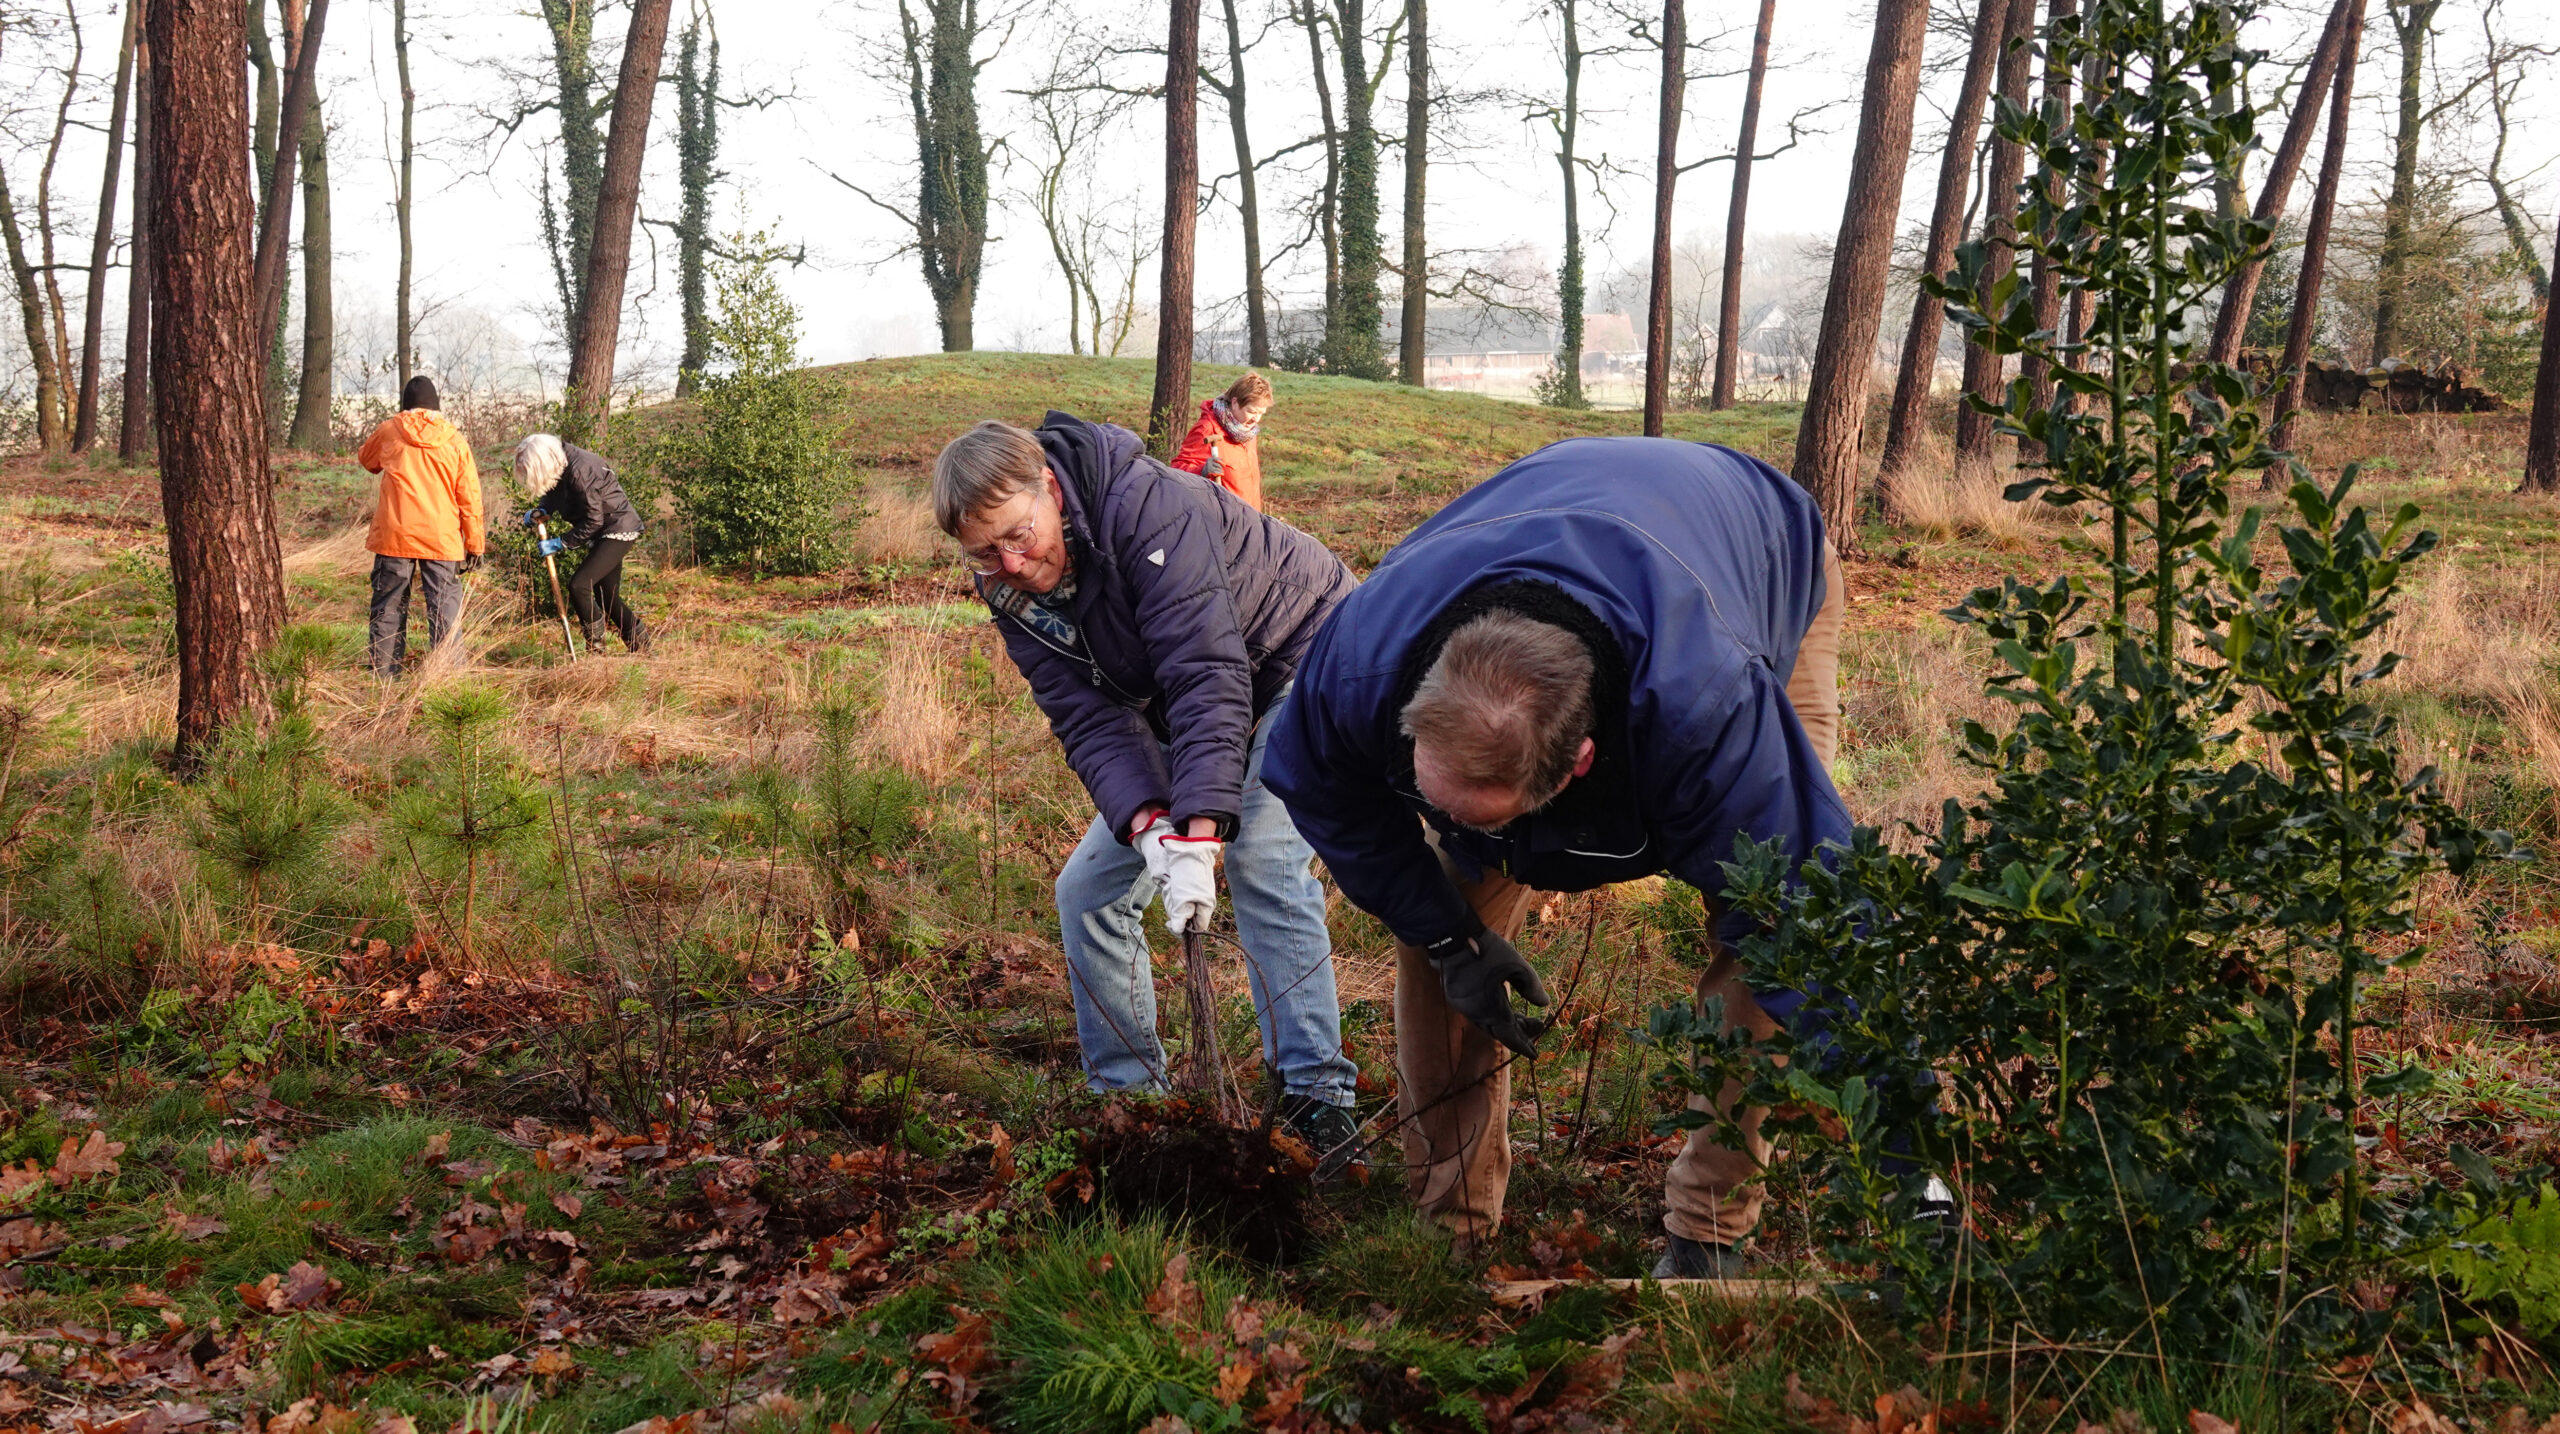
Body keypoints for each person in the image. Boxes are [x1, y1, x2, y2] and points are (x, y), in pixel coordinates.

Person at [1263, 436, 1874, 1277]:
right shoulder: (1363, 660)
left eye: (1471, 811)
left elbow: (1805, 924)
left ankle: (1709, 1233)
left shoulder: (1710, 713)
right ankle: (1453, 1225)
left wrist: (1905, 1147)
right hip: (1565, 526)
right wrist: (1448, 938)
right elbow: (1325, 794)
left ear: (1575, 765)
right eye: (1427, 795)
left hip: (1759, 550)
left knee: (1760, 924)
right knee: (1441, 910)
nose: (1439, 815)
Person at [932, 413, 1362, 1162]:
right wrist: (1148, 829)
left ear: (1051, 489)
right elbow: (1090, 720)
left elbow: (1206, 672)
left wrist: (1199, 831)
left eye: (1018, 535)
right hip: (1189, 696)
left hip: (1302, 656)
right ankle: (1131, 1104)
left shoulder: (1144, 506)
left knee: (1260, 851)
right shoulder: (1008, 592)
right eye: (984, 552)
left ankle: (1317, 1098)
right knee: (1088, 891)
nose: (1010, 561)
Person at [358, 376, 486, 679]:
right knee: (445, 610)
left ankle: (384, 677)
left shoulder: (390, 430)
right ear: (437, 407)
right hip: (441, 538)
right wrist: (475, 544)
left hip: (395, 535)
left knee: (388, 606)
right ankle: (448, 677)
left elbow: (367, 460)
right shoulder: (454, 439)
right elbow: (470, 496)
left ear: (405, 406)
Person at [513, 433, 650, 655]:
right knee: (608, 597)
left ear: (544, 461)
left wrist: (562, 542)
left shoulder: (581, 470)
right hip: (605, 529)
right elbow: (554, 487)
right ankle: (643, 651)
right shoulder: (562, 460)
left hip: (617, 528)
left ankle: (596, 652)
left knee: (579, 585)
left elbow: (594, 519)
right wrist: (543, 509)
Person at [1169, 371, 1273, 511]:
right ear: (1235, 403)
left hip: (1250, 517)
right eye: (1252, 412)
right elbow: (1176, 470)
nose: (1256, 419)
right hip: (1223, 520)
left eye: (1261, 413)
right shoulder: (1207, 428)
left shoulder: (1247, 432)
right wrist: (1201, 470)